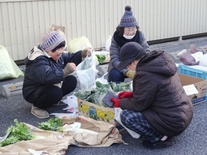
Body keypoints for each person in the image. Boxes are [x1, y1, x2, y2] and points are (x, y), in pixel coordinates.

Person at [110, 42, 194, 149]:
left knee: (127, 116)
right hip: (183, 115)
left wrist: (119, 103)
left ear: (134, 61)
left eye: (127, 64)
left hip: (173, 122)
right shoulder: (158, 63)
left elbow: (138, 105)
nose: (127, 67)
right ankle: (164, 131)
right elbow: (154, 92)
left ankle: (159, 138)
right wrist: (131, 94)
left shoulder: (146, 74)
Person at [22, 31, 91, 119]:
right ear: (49, 50)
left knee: (71, 80)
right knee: (55, 93)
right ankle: (37, 107)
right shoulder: (38, 59)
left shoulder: (56, 53)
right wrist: (65, 72)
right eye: (58, 53)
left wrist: (82, 54)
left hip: (49, 85)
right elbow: (46, 76)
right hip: (34, 91)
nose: (60, 54)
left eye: (62, 51)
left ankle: (52, 101)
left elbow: (69, 57)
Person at [108, 5, 149, 83]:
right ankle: (117, 92)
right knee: (114, 74)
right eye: (128, 29)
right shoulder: (116, 38)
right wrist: (127, 71)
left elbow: (146, 51)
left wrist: (139, 66)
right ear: (122, 29)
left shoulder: (140, 35)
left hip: (137, 65)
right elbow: (114, 58)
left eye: (133, 29)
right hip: (120, 66)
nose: (131, 32)